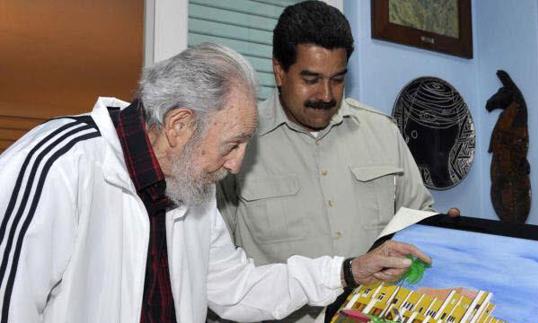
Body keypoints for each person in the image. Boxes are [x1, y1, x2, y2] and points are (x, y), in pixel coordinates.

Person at [0, 43, 431, 323]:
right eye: (233, 144)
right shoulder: (58, 166)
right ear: (179, 125)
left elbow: (238, 289)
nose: (237, 163)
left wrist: (348, 271)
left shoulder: (190, 184)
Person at [216, 2, 458, 321]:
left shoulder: (383, 133)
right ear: (279, 71)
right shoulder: (237, 144)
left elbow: (414, 228)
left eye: (338, 79)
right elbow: (217, 274)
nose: (327, 95)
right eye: (311, 79)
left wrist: (445, 233)